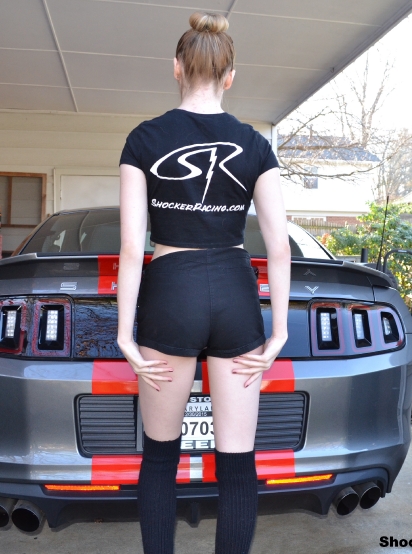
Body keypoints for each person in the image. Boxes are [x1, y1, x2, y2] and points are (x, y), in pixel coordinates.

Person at [116, 12, 290, 554]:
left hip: (171, 291)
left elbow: (129, 246)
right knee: (237, 462)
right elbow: (278, 244)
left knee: (161, 456)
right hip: (236, 294)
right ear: (230, 76)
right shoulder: (254, 144)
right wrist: (279, 331)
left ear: (176, 69)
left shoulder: (144, 139)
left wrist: (125, 333)